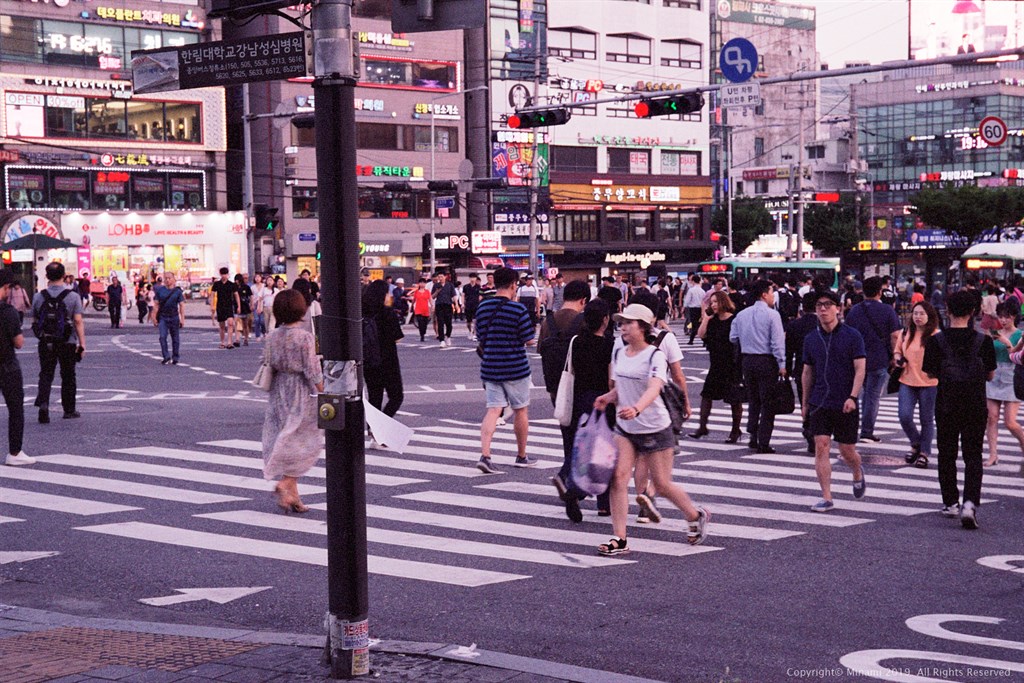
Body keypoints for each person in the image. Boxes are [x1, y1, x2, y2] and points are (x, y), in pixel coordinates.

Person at [593, 303, 709, 555]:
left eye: (628, 323)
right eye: (621, 322)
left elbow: (654, 387)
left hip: (655, 426)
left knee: (662, 484)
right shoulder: (620, 353)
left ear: (644, 327)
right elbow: (622, 386)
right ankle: (619, 538)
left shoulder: (655, 355)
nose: (622, 327)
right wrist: (609, 397)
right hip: (626, 427)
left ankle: (694, 515)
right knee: (618, 478)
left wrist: (637, 408)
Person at [922, 290, 996, 529]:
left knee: (947, 453)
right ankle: (970, 503)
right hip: (975, 404)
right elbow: (990, 374)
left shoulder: (936, 341)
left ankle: (950, 501)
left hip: (946, 403)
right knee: (973, 455)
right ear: (973, 312)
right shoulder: (983, 341)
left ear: (947, 310)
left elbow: (930, 373)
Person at [801, 289, 868, 512]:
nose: (823, 309)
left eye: (828, 305)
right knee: (821, 446)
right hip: (820, 401)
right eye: (819, 305)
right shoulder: (811, 338)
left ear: (838, 308)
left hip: (845, 402)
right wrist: (804, 402)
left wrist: (853, 396)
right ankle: (827, 497)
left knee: (847, 450)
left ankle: (857, 471)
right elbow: (807, 372)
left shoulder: (852, 335)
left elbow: (860, 369)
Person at [262, 289, 324, 513]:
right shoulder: (305, 338)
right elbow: (313, 371)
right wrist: (324, 392)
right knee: (306, 439)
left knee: (286, 435)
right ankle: (287, 481)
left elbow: (267, 361)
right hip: (300, 391)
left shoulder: (273, 336)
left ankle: (292, 496)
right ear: (301, 309)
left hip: (279, 390)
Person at [551, 299, 614, 522]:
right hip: (602, 401)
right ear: (605, 320)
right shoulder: (609, 344)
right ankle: (589, 498)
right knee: (604, 452)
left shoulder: (577, 341)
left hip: (579, 399)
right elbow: (610, 379)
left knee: (583, 446)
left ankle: (569, 478)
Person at [474, 266, 537, 473]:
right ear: (513, 285)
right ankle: (521, 455)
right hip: (515, 367)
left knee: (493, 410)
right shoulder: (517, 309)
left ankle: (485, 455)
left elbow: (481, 336)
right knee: (520, 410)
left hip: (490, 366)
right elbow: (528, 340)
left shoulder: (482, 308)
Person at [729, 279, 787, 454]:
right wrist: (781, 363)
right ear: (764, 294)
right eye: (771, 292)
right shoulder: (772, 315)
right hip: (766, 361)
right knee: (768, 402)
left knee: (753, 399)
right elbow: (777, 342)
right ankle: (764, 441)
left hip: (747, 360)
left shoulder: (741, 315)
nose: (772, 296)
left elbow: (733, 337)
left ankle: (753, 435)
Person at [844, 276, 902, 443]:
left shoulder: (854, 311)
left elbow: (847, 335)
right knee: (872, 396)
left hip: (856, 360)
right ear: (880, 292)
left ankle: (851, 429)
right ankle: (867, 431)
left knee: (855, 394)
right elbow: (895, 336)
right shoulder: (887, 310)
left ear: (863, 292)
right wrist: (893, 356)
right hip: (879, 359)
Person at [32, 261, 85, 423]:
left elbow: (34, 319)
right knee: (68, 374)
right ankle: (69, 409)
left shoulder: (38, 296)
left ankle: (43, 405)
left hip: (46, 341)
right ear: (64, 276)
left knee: (46, 374)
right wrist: (82, 343)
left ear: (47, 276)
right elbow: (77, 321)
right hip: (67, 341)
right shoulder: (73, 296)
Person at [689, 291, 742, 443]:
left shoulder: (734, 320)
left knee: (734, 398)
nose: (712, 305)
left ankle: (735, 430)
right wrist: (706, 318)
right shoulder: (713, 320)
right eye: (711, 302)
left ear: (723, 302)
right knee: (707, 395)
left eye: (715, 302)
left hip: (731, 363)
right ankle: (702, 426)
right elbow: (701, 335)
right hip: (716, 362)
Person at [893, 301, 939, 469]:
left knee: (926, 419)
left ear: (930, 316)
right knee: (904, 416)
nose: (918, 317)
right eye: (915, 313)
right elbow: (897, 350)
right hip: (907, 380)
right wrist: (898, 359)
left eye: (922, 314)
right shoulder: (906, 332)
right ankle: (916, 442)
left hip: (929, 382)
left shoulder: (936, 335)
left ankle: (924, 453)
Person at [985, 302, 1024, 468]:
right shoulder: (995, 333)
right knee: (991, 417)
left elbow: (1015, 356)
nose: (1003, 320)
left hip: (1011, 375)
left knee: (1010, 422)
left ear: (1013, 317)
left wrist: (1006, 342)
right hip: (995, 374)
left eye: (1006, 316)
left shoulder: (1020, 335)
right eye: (1000, 316)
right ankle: (993, 454)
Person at [0, 270, 32, 466]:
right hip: (6, 365)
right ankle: (15, 452)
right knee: (15, 408)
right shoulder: (7, 312)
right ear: (4, 288)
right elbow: (19, 342)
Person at [362, 279, 404, 418]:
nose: (389, 296)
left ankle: (373, 429)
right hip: (388, 360)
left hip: (369, 361)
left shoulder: (362, 312)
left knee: (374, 398)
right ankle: (382, 426)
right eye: (388, 293)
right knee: (396, 396)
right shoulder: (387, 313)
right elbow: (397, 337)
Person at [786, 292, 821, 454]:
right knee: (820, 401)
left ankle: (808, 429)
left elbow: (789, 351)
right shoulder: (822, 323)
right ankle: (818, 431)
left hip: (800, 369)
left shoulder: (795, 325)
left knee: (805, 401)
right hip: (821, 369)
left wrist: (786, 368)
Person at [151, 273, 186, 365]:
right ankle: (166, 356)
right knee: (162, 337)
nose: (167, 280)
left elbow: (182, 305)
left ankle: (175, 357)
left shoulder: (178, 292)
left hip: (174, 317)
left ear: (174, 279)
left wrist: (182, 319)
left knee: (175, 338)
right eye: (165, 278)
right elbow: (156, 305)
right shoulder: (160, 291)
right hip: (163, 317)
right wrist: (154, 318)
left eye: (169, 278)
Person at [210, 267, 240, 349]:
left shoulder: (232, 284)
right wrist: (212, 305)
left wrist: (238, 306)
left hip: (229, 306)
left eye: (225, 274)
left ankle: (229, 342)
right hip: (220, 306)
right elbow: (212, 295)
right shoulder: (217, 284)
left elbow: (236, 295)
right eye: (222, 274)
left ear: (228, 274)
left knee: (230, 323)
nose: (224, 276)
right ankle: (222, 342)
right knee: (222, 325)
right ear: (220, 274)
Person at [431, 271, 456, 348]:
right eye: (439, 277)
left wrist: (457, 305)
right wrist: (437, 291)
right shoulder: (436, 285)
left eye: (441, 277)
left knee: (449, 323)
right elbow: (433, 296)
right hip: (439, 305)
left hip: (448, 305)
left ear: (445, 277)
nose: (440, 278)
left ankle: (448, 336)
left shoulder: (450, 285)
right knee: (440, 323)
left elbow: (454, 295)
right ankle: (441, 340)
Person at [682, 274, 705, 345]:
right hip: (700, 309)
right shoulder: (702, 291)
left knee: (694, 325)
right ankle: (703, 340)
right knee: (699, 324)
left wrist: (683, 308)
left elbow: (687, 300)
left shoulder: (691, 290)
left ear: (693, 281)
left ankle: (692, 340)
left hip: (692, 309)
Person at [410, 278, 432, 342]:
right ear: (419, 284)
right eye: (421, 283)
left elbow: (430, 300)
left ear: (425, 284)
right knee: (420, 322)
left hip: (425, 309)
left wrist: (432, 306)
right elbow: (414, 300)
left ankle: (424, 332)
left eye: (423, 283)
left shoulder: (427, 292)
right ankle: (421, 335)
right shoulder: (416, 292)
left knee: (425, 323)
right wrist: (412, 307)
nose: (422, 284)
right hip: (418, 309)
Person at [235, 273, 254, 346]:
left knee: (245, 325)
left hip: (245, 307)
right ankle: (237, 339)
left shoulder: (246, 287)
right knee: (237, 323)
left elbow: (251, 296)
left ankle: (246, 338)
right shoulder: (234, 287)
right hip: (236, 307)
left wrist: (251, 304)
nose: (236, 281)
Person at [463, 273, 481, 341]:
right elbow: (463, 295)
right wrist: (462, 304)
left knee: (475, 320)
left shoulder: (479, 287)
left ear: (476, 278)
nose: (472, 279)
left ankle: (474, 334)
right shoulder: (466, 287)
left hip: (476, 305)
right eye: (471, 278)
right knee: (468, 322)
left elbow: (480, 296)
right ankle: (470, 331)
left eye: (474, 277)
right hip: (468, 305)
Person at [252, 274, 268, 340]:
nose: (257, 278)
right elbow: (251, 297)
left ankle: (264, 332)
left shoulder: (264, 286)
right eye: (256, 277)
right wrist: (252, 304)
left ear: (261, 278)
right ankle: (257, 335)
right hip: (255, 304)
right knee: (256, 320)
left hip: (263, 304)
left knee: (262, 320)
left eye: (259, 277)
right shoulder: (252, 287)